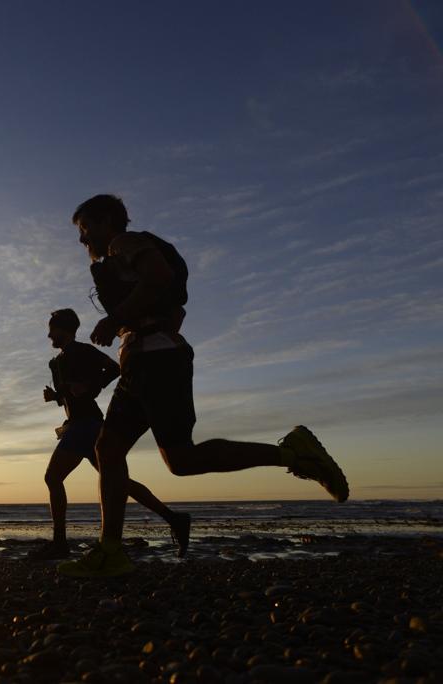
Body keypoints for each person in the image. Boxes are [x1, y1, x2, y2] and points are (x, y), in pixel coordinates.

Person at [57, 194, 349, 578]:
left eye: (85, 229)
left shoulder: (123, 243)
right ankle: (111, 550)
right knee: (109, 449)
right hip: (144, 362)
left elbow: (159, 278)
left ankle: (294, 454)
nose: (83, 240)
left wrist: (118, 320)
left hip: (158, 361)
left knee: (180, 459)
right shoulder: (120, 259)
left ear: (107, 221)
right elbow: (175, 307)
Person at [29, 308, 191, 560]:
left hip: (88, 425)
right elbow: (69, 395)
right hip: (76, 425)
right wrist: (56, 396)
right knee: (119, 483)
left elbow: (115, 369)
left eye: (53, 329)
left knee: (53, 478)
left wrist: (91, 386)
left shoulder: (83, 351)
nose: (49, 335)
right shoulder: (55, 363)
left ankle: (60, 543)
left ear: (65, 329)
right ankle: (174, 519)